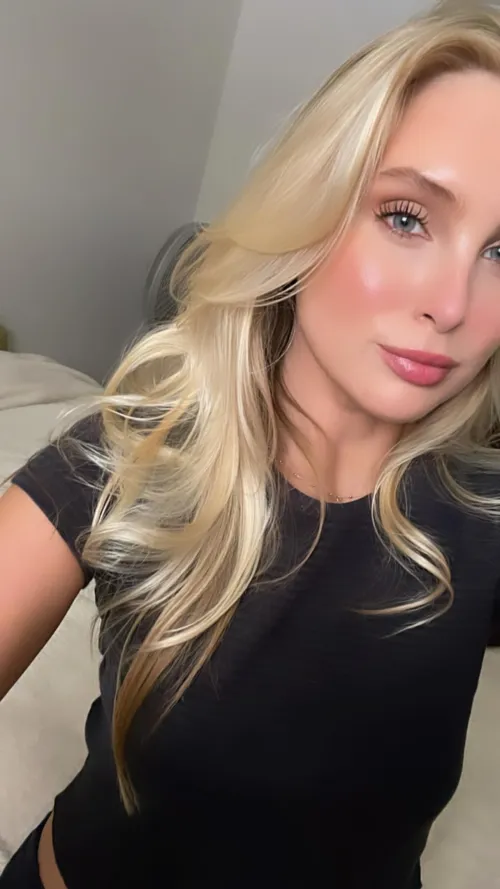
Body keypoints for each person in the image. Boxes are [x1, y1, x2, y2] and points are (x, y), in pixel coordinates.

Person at [3, 1, 500, 887]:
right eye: (406, 217)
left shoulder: (482, 512)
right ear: (310, 208)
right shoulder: (131, 460)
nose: (454, 305)